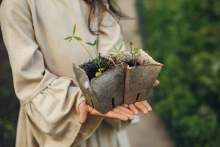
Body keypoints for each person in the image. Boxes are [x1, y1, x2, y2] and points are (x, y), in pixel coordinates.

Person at [0, 0, 159, 147]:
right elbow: (31, 83)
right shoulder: (17, 4)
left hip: (105, 128)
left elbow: (112, 52)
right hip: (59, 127)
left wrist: (127, 74)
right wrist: (79, 101)